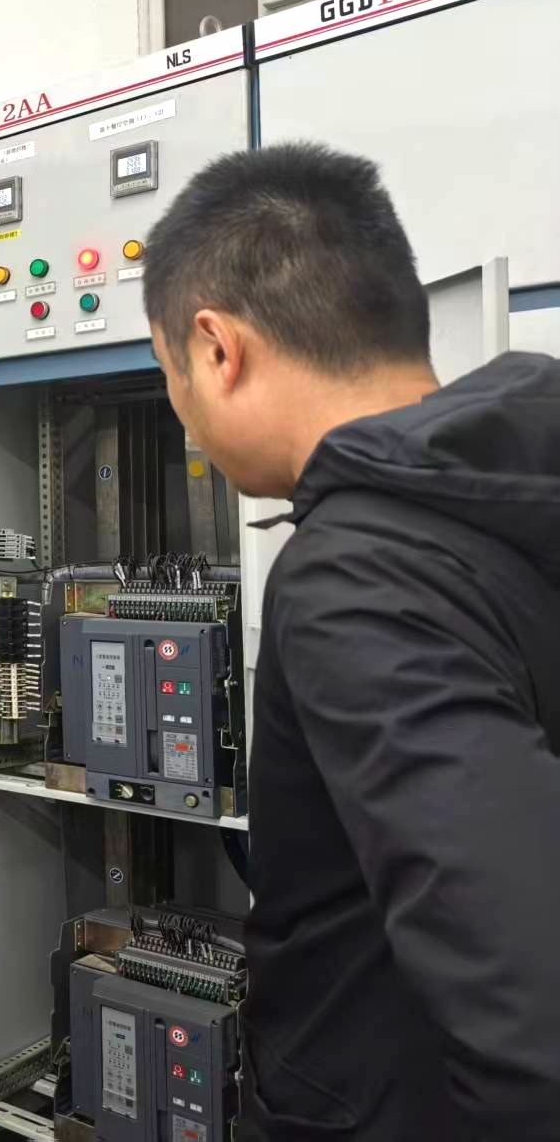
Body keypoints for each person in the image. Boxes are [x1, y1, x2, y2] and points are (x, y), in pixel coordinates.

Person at [141, 142, 560, 1141]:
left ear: (215, 348)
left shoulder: (353, 575)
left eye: (168, 376)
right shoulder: (502, 498)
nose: (184, 419)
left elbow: (530, 1009)